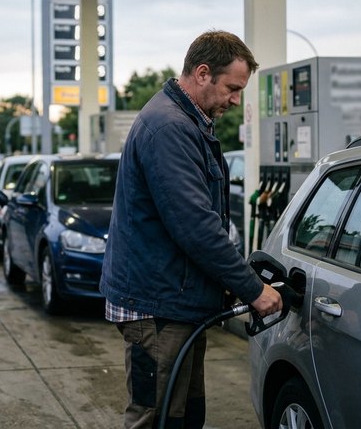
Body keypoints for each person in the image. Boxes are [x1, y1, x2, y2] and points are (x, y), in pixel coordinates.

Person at [99, 30, 283, 429]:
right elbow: (196, 226)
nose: (236, 100)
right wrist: (253, 288)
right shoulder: (169, 128)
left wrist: (227, 280)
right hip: (156, 305)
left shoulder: (186, 122)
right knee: (158, 418)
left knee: (184, 415)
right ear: (202, 73)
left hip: (173, 299)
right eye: (233, 88)